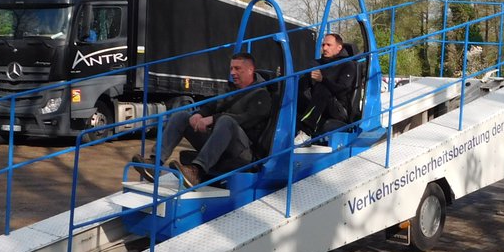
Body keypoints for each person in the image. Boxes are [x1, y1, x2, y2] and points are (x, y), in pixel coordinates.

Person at [131, 52, 273, 188]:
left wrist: (213, 119)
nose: (232, 73)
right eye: (231, 68)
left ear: (250, 70)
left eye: (237, 69)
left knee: (226, 120)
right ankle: (155, 164)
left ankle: (196, 171)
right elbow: (212, 105)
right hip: (219, 140)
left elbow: (247, 120)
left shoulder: (261, 95)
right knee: (181, 116)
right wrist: (199, 115)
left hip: (243, 150)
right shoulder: (231, 90)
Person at [296, 32, 356, 139]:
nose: (324, 48)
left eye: (329, 45)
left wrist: (323, 80)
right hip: (316, 102)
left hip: (339, 108)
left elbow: (342, 90)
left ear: (339, 48)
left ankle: (306, 131)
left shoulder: (348, 65)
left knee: (323, 87)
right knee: (296, 83)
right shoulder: (317, 63)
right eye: (323, 45)